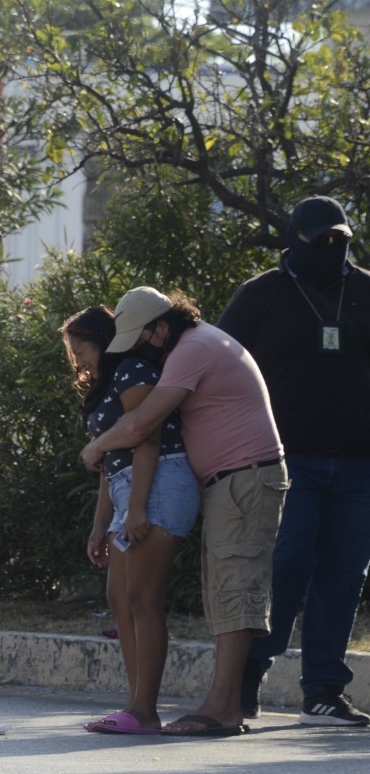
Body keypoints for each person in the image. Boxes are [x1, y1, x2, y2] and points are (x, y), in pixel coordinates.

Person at [80, 287, 288, 737]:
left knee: (234, 588)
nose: (139, 348)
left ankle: (222, 709)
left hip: (244, 477)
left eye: (142, 337)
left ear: (163, 325)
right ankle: (222, 703)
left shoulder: (192, 348)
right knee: (224, 590)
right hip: (227, 480)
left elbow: (140, 426)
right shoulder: (194, 344)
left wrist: (96, 446)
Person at [219, 196, 370, 727]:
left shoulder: (366, 289)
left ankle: (324, 690)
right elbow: (220, 368)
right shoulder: (260, 295)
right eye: (320, 238)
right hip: (286, 461)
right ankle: (248, 678)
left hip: (358, 464)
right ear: (293, 238)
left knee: (343, 574)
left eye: (340, 238)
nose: (333, 246)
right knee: (286, 565)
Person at [63, 306, 200, 734]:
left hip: (160, 482)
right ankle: (134, 705)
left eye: (81, 348)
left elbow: (147, 437)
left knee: (142, 597)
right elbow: (109, 465)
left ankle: (145, 711)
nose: (77, 360)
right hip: (129, 489)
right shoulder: (105, 384)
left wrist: (138, 509)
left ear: (102, 340)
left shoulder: (132, 369)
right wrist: (99, 525)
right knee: (119, 598)